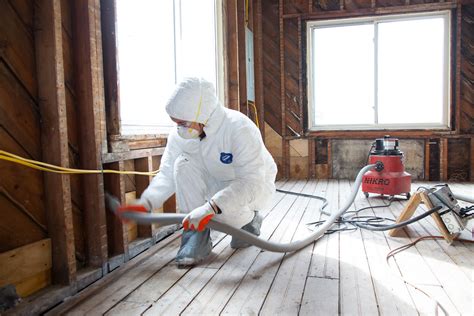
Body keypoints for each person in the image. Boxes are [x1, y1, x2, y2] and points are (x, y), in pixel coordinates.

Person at [121, 77, 277, 267]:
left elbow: (252, 182)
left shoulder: (238, 127)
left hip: (253, 188)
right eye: (176, 123)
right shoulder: (181, 134)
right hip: (218, 180)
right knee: (182, 164)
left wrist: (210, 207)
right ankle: (196, 237)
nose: (180, 129)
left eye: (183, 123)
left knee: (222, 214)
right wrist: (146, 202)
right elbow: (168, 172)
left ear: (203, 114)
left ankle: (250, 221)